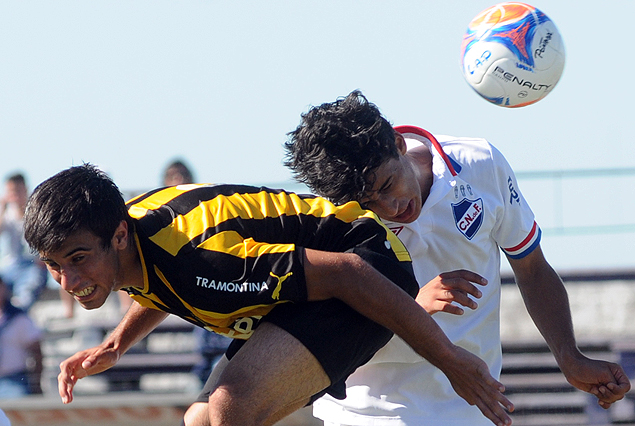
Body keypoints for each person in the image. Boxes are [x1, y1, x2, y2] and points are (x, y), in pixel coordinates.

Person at [23, 164, 513, 426]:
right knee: (200, 421)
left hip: (367, 265)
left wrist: (450, 359)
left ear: (117, 236)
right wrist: (116, 345)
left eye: (77, 258)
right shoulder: (128, 238)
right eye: (53, 264)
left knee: (231, 407)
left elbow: (348, 273)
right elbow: (157, 284)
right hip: (316, 285)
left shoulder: (205, 259)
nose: (68, 280)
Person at [283, 90, 631, 426]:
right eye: (368, 203)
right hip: (367, 413)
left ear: (398, 144)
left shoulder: (480, 164)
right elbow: (329, 333)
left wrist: (569, 357)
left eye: (388, 185)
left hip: (472, 406)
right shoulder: (329, 220)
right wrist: (412, 309)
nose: (390, 207)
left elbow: (533, 270)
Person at [0, 173, 48, 312]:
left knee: (27, 291)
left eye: (17, 191)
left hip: (33, 265)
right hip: (11, 265)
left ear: (25, 189)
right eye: (10, 191)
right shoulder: (7, 215)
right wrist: (2, 209)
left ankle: (18, 315)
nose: (14, 195)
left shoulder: (37, 211)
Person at [0, 276, 43, 398]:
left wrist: (36, 384)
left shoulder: (19, 318)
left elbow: (36, 352)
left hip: (13, 380)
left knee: (18, 404)